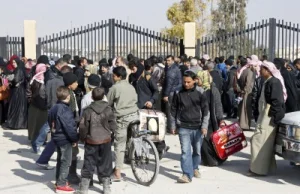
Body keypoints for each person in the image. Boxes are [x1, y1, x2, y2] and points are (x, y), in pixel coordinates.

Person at [171, 70, 209, 183]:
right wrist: (173, 125)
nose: (186, 84)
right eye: (184, 82)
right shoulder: (178, 92)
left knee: (197, 151)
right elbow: (173, 110)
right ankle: (187, 174)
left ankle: (195, 167)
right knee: (185, 151)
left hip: (198, 127)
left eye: (188, 82)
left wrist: (204, 126)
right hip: (183, 126)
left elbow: (206, 111)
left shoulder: (201, 92)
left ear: (194, 81)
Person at [249, 61, 286, 176]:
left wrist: (271, 118)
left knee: (258, 141)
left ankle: (258, 170)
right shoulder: (267, 81)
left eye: (262, 69)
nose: (260, 70)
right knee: (264, 143)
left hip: (268, 117)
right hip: (264, 115)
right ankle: (265, 168)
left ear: (268, 70)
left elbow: (277, 102)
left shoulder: (274, 82)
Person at [78, 87, 116, 194]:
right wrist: (112, 133)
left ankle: (84, 189)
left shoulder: (88, 110)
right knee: (105, 163)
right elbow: (113, 124)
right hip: (105, 140)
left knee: (89, 162)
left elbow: (83, 127)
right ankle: (106, 188)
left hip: (91, 140)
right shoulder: (108, 109)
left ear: (92, 97)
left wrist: (83, 137)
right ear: (104, 97)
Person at [107, 66, 139, 181]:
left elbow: (108, 103)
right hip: (135, 116)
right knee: (131, 138)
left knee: (119, 144)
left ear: (118, 77)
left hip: (122, 118)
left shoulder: (114, 88)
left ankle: (117, 173)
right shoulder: (131, 86)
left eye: (113, 75)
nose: (112, 77)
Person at [33, 59, 69, 155]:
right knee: (49, 127)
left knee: (50, 126)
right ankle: (37, 143)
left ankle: (41, 143)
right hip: (57, 106)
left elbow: (42, 93)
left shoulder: (50, 80)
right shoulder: (62, 82)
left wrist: (48, 101)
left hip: (50, 105)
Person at [49, 86, 79, 193]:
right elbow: (69, 127)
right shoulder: (65, 110)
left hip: (57, 137)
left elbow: (50, 121)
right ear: (68, 96)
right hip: (65, 138)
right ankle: (61, 184)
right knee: (66, 161)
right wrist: (74, 139)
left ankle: (59, 180)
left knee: (60, 160)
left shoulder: (54, 107)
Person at [196, 70, 225, 166]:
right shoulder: (198, 89)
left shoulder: (213, 90)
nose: (197, 81)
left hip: (212, 120)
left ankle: (214, 160)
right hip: (202, 118)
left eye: (198, 79)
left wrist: (220, 119)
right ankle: (209, 160)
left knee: (211, 141)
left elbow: (218, 105)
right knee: (204, 141)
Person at [63, 72, 81, 184]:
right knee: (71, 153)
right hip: (70, 128)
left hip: (72, 126)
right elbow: (70, 114)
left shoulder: (71, 93)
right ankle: (71, 175)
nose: (77, 84)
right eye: (75, 82)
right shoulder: (68, 96)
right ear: (70, 84)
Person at [27, 63, 48, 151]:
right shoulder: (43, 80)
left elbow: (28, 93)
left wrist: (31, 100)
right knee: (40, 124)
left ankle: (35, 139)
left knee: (36, 123)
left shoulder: (33, 79)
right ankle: (36, 141)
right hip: (41, 105)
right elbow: (42, 94)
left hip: (35, 105)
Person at [163, 55, 182, 133]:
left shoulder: (171, 70)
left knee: (170, 110)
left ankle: (172, 128)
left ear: (173, 60)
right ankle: (174, 127)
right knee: (175, 110)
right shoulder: (175, 68)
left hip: (172, 92)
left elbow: (169, 84)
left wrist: (166, 94)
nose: (167, 62)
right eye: (166, 60)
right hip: (176, 91)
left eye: (169, 60)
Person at [7, 58, 28, 129]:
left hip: (18, 91)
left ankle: (16, 124)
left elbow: (16, 80)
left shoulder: (18, 70)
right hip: (19, 91)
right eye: (12, 62)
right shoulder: (18, 69)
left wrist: (10, 79)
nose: (13, 64)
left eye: (14, 62)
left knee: (16, 107)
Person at [237, 57, 255, 130]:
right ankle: (245, 125)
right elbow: (248, 83)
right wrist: (245, 90)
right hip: (247, 92)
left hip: (243, 91)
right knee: (246, 110)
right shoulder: (249, 72)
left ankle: (241, 123)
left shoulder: (243, 70)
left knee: (242, 109)